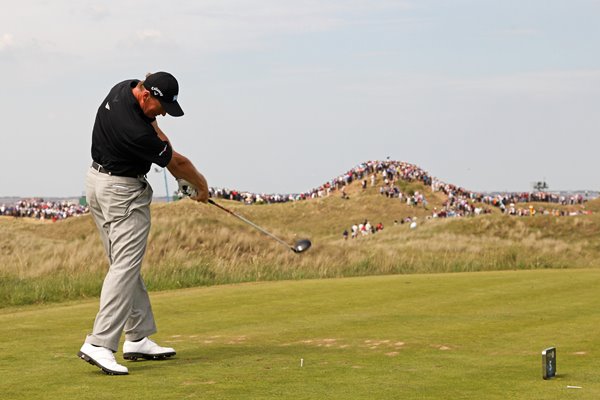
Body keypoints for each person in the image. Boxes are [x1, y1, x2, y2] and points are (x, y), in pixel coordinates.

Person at [78, 71, 209, 375]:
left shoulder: (123, 89)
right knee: (124, 266)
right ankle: (100, 343)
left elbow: (155, 125)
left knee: (123, 262)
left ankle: (136, 337)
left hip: (97, 184)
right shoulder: (136, 132)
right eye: (161, 107)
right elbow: (178, 163)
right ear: (146, 95)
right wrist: (200, 186)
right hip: (123, 193)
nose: (163, 113)